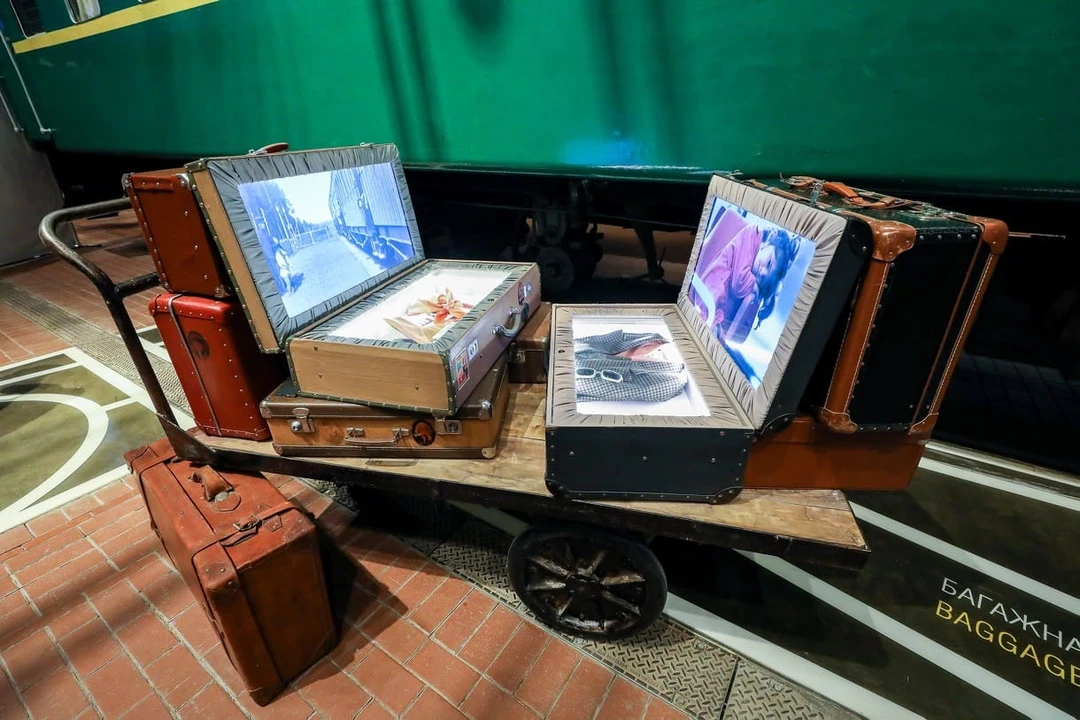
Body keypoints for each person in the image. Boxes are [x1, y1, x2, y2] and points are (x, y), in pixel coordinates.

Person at [693, 216, 799, 345]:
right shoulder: (752, 235)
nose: (762, 272)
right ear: (767, 242)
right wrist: (754, 285)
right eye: (769, 263)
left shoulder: (754, 259)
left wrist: (766, 296)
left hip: (713, 306)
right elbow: (738, 284)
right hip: (709, 293)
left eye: (763, 278)